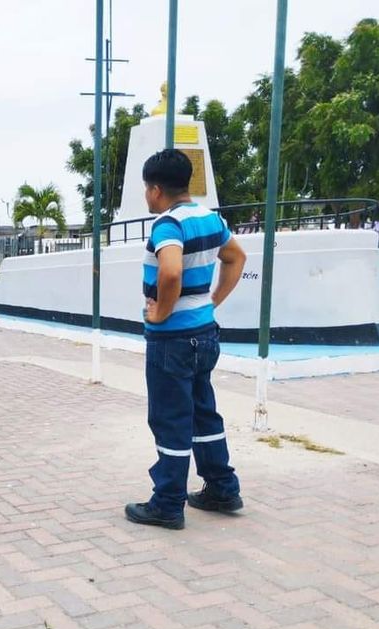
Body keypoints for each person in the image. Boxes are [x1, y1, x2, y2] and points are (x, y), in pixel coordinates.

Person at [125, 149, 247, 530]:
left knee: (170, 419)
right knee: (203, 412)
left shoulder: (167, 225)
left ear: (156, 190)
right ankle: (222, 488)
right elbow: (236, 257)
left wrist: (161, 312)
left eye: (146, 189)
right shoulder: (210, 219)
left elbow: (171, 272)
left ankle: (167, 503)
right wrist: (213, 301)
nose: (147, 196)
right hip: (205, 333)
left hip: (172, 340)